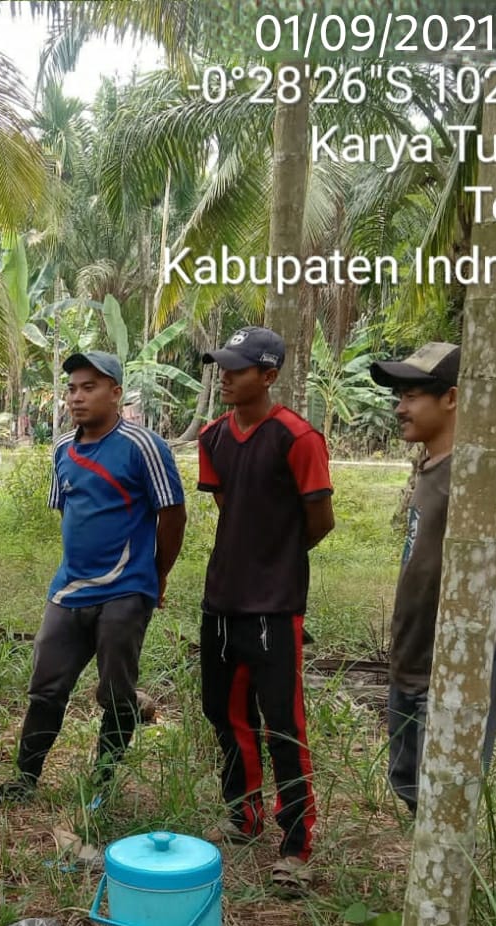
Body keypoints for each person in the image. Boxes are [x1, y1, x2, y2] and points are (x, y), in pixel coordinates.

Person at [0, 350, 186, 804]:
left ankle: (103, 785)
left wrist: (156, 576)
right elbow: (70, 514)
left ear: (116, 393)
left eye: (89, 387)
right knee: (46, 687)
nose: (77, 397)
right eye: (72, 388)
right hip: (69, 589)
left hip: (126, 589)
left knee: (115, 691)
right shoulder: (62, 449)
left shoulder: (144, 446)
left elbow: (172, 515)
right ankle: (24, 781)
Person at [196, 326, 334, 896]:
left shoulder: (298, 438)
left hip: (276, 606)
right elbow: (230, 504)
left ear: (269, 375)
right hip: (222, 598)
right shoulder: (212, 437)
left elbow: (319, 520)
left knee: (284, 724)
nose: (225, 377)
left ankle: (297, 843)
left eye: (238, 368)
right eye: (221, 367)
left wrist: (275, 557)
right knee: (223, 711)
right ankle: (243, 813)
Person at [372, 343, 496, 813]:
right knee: (408, 784)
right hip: (412, 658)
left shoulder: (478, 479)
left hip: (453, 671)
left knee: (444, 799)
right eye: (398, 396)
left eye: (413, 395)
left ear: (453, 398)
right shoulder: (430, 469)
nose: (400, 408)